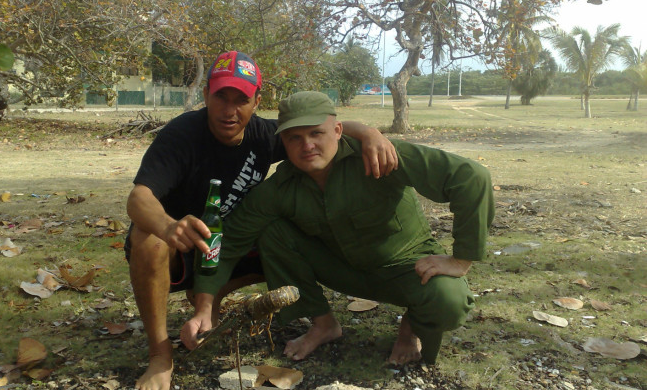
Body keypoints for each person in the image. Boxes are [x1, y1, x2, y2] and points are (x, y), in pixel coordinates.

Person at [126, 52, 398, 390]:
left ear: (257, 101)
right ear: (206, 94)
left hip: (228, 245)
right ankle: (160, 356)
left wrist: (371, 134)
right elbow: (138, 198)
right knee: (146, 237)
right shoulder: (182, 135)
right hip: (181, 246)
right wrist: (169, 226)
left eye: (241, 100)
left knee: (281, 232)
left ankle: (211, 299)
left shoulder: (264, 135)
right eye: (221, 97)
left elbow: (325, 127)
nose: (229, 110)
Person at [181, 91, 494, 366]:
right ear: (283, 143)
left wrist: (461, 259)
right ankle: (323, 324)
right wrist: (204, 309)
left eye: (316, 133)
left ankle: (411, 328)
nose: (307, 145)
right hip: (342, 270)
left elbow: (471, 177)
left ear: (338, 131)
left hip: (405, 267)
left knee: (450, 301)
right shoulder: (279, 189)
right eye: (294, 138)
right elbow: (226, 244)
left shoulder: (378, 154)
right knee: (273, 231)